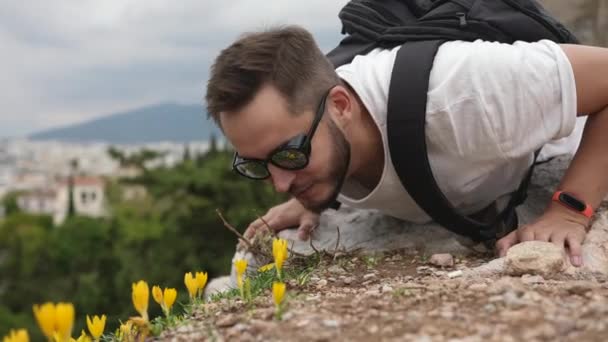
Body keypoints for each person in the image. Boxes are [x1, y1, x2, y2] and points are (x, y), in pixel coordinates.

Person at [205, 25, 608, 267]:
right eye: (258, 165)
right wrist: (309, 194)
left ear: (341, 106)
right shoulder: (320, 135)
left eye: (290, 153)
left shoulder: (463, 92)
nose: (278, 183)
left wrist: (570, 209)